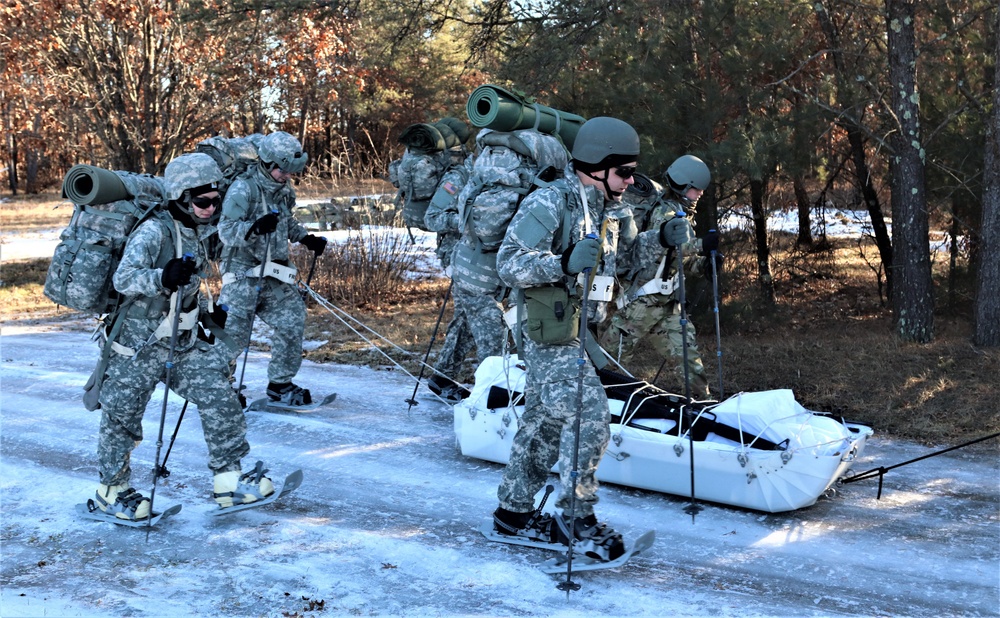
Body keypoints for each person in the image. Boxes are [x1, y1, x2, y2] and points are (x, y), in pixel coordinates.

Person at [489, 117, 683, 561]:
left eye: (632, 172)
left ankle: (513, 514)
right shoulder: (551, 201)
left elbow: (631, 262)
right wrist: (561, 262)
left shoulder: (615, 211)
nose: (630, 181)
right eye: (624, 172)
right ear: (595, 166)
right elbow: (508, 261)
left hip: (579, 330)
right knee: (587, 408)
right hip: (544, 328)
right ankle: (576, 517)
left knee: (544, 421)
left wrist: (660, 239)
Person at [92, 153, 275, 519]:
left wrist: (207, 311)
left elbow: (195, 278)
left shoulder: (198, 230)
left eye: (215, 200)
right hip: (137, 344)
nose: (210, 208)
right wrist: (161, 277)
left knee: (220, 397)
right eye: (201, 202)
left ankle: (229, 481)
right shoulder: (153, 230)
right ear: (179, 197)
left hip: (182, 341)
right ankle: (111, 491)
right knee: (122, 418)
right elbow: (124, 279)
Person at [217, 131, 328, 406]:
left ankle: (280, 384)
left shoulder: (282, 190)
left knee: (292, 319)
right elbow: (225, 231)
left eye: (291, 171)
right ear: (267, 164)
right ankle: (220, 387)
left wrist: (305, 237)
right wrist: (253, 228)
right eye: (283, 170)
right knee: (232, 336)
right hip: (242, 275)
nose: (287, 176)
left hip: (274, 273)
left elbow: (286, 221)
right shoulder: (243, 190)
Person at [600, 154, 717, 400]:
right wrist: (700, 245)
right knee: (610, 364)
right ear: (684, 187)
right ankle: (600, 403)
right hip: (640, 304)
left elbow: (676, 261)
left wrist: (705, 265)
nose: (700, 195)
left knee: (688, 360)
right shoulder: (665, 211)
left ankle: (701, 408)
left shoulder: (680, 212)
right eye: (697, 189)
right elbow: (662, 245)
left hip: (667, 305)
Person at [422, 124, 507, 402]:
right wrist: (470, 223)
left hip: (486, 262)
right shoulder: (461, 176)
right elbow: (432, 218)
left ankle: (442, 377)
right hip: (462, 259)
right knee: (487, 324)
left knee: (465, 323)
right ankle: (492, 394)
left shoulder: (504, 179)